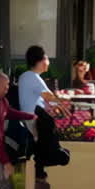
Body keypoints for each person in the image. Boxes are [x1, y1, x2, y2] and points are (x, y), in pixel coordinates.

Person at [18, 46, 70, 179]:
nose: (49, 62)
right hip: (35, 119)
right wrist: (64, 103)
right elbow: (49, 97)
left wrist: (58, 106)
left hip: (34, 118)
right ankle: (52, 155)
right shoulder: (31, 76)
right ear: (40, 60)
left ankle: (42, 165)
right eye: (47, 58)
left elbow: (48, 101)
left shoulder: (30, 77)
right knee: (49, 124)